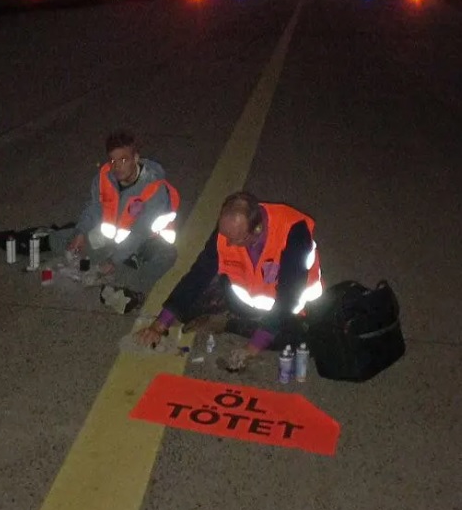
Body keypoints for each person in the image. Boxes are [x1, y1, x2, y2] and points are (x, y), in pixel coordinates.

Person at [135, 190, 323, 370]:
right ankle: (231, 319)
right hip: (242, 300)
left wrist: (252, 348)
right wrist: (160, 324)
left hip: (289, 310)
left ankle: (229, 323)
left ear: (257, 228)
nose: (230, 244)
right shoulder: (228, 229)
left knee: (302, 340)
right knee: (186, 305)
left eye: (238, 240)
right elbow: (199, 273)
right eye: (226, 237)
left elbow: (288, 297)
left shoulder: (294, 232)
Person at [47, 129, 180, 314]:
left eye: (123, 160)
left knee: (167, 255)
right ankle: (110, 268)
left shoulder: (153, 187)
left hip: (145, 243)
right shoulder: (104, 177)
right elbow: (93, 207)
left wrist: (114, 260)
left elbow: (140, 233)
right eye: (112, 161)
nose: (117, 166)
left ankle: (134, 287)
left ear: (136, 158)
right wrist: (80, 233)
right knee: (57, 239)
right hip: (113, 238)